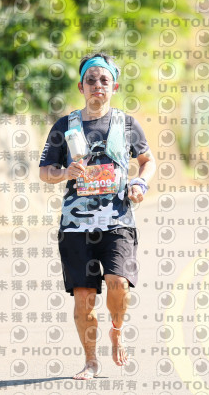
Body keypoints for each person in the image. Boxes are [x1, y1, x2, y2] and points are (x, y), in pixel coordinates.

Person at [39, 52, 156, 379]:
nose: (97, 85)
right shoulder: (64, 126)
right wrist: (65, 173)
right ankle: (90, 361)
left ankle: (116, 330)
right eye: (90, 80)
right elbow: (44, 171)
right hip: (76, 226)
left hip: (118, 220)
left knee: (118, 283)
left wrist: (140, 183)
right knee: (84, 299)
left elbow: (147, 161)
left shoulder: (126, 124)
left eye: (104, 80)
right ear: (81, 86)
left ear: (114, 86)